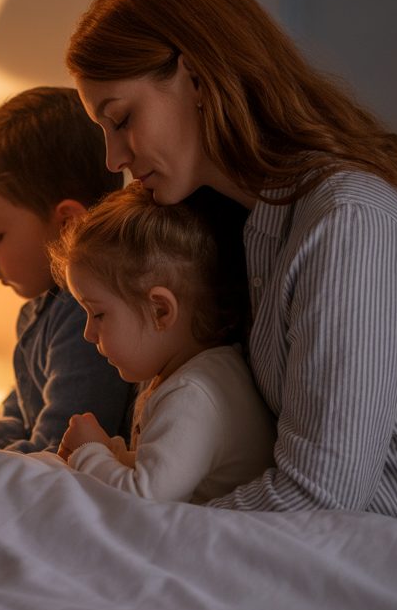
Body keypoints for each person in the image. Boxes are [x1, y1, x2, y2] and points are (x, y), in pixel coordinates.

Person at [65, 0, 397, 533]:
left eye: (121, 119)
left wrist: (152, 531)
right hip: (351, 542)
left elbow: (321, 493)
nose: (113, 159)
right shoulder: (255, 226)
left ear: (198, 78)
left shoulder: (349, 221)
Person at [45, 183, 274, 502]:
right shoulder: (190, 375)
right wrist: (111, 452)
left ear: (160, 310)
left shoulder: (192, 395)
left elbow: (145, 499)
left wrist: (89, 452)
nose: (88, 333)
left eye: (97, 314)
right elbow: (155, 470)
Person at [0, 86, 134, 453]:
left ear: (68, 226)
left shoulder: (86, 320)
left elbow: (55, 452)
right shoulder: (40, 311)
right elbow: (19, 417)